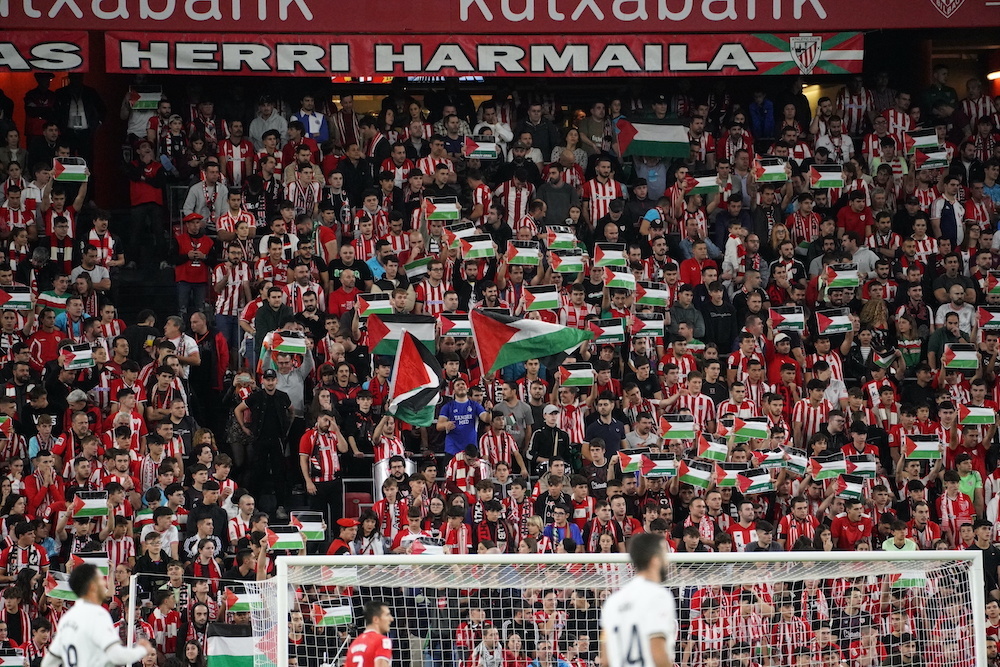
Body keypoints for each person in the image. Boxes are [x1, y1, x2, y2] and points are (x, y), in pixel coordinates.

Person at [41, 563, 155, 667]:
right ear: (92, 586)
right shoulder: (97, 615)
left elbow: (49, 661)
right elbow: (116, 655)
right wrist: (142, 650)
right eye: (100, 580)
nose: (104, 583)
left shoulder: (68, 618)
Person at [600, 532, 677, 667]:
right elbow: (657, 653)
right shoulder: (658, 596)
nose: (667, 561)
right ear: (655, 560)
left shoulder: (613, 601)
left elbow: (606, 660)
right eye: (664, 555)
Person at [346, 600, 394, 667]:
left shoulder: (354, 643)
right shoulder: (382, 641)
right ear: (376, 619)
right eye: (387, 615)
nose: (391, 619)